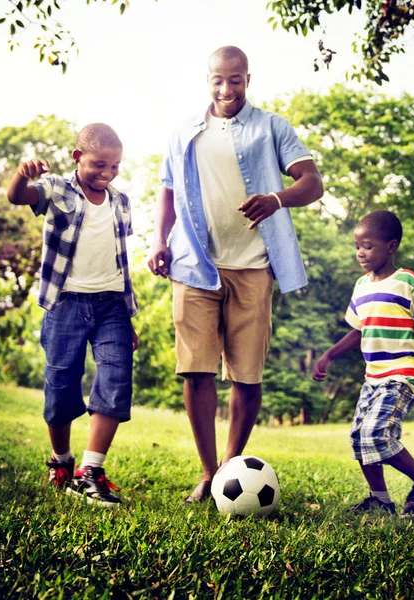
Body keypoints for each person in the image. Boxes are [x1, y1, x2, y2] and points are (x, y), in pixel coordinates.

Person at [148, 46, 323, 503]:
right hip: (194, 265)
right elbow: (167, 192)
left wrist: (277, 198)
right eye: (217, 80)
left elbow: (312, 182)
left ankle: (231, 464)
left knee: (246, 376)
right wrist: (158, 242)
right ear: (207, 79)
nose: (226, 89)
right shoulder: (184, 131)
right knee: (196, 372)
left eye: (235, 80)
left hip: (254, 267)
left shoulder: (272, 127)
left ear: (248, 79)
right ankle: (210, 473)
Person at [312, 210, 414, 518]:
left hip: (403, 373)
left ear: (391, 247)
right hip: (373, 377)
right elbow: (359, 330)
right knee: (359, 437)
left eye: (368, 246)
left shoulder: (408, 282)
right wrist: (329, 355)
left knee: (377, 434)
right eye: (357, 246)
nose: (360, 252)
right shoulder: (361, 286)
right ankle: (380, 498)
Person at [7, 123, 138, 506]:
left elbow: (120, 262)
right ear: (77, 157)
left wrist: (128, 316)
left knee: (116, 378)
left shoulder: (120, 201)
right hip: (66, 303)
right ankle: (61, 460)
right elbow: (19, 197)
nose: (107, 173)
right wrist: (22, 175)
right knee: (62, 384)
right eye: (99, 165)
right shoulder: (57, 189)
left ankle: (90, 472)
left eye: (114, 167)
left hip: (112, 305)